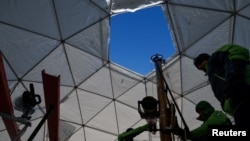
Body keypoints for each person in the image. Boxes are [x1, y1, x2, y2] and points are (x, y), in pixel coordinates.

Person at [193, 44, 250, 126]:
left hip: (243, 94)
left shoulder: (213, 60)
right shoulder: (213, 74)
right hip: (237, 106)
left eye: (199, 64)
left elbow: (234, 50)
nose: (200, 67)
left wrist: (235, 78)